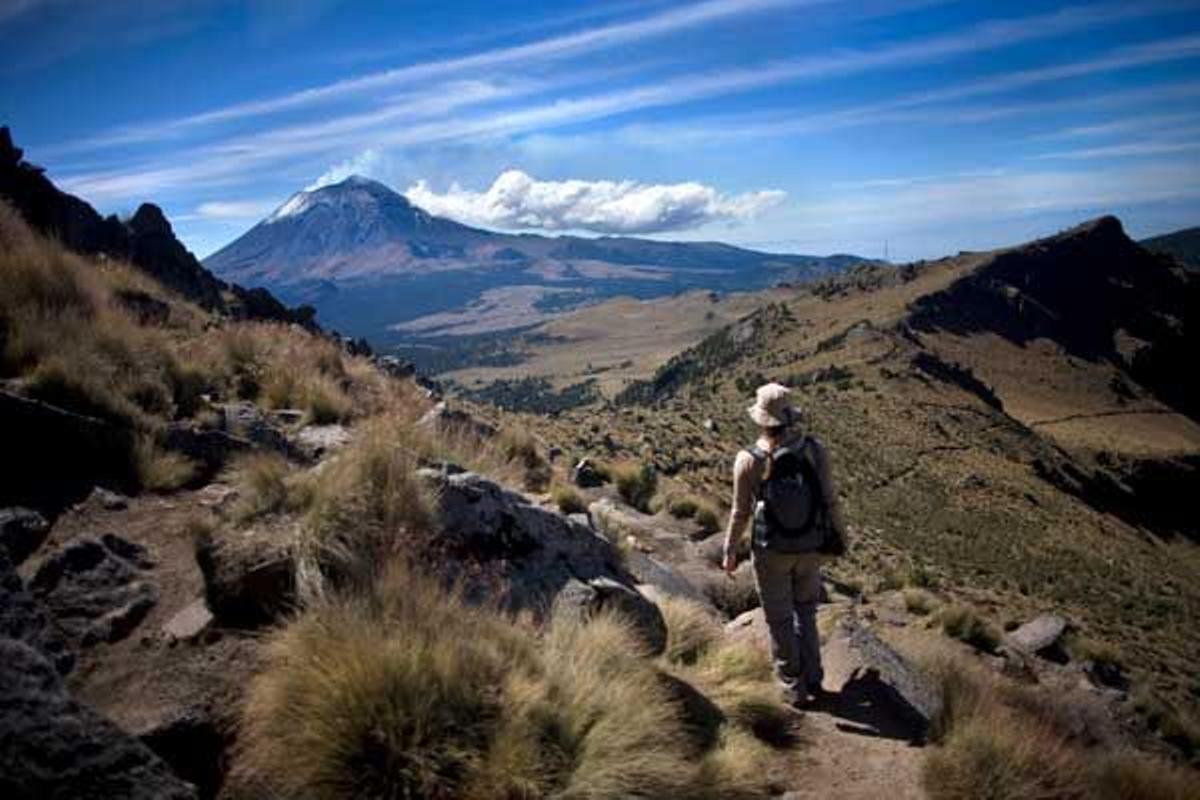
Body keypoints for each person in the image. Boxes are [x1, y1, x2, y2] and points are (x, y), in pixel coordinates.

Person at [722, 382, 847, 708]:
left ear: (762, 419)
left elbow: (740, 512)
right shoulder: (815, 450)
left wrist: (730, 551)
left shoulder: (748, 459)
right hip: (811, 546)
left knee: (779, 618)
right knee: (806, 610)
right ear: (789, 416)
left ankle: (792, 685)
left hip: (771, 550)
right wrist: (840, 537)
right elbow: (831, 499)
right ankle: (815, 677)